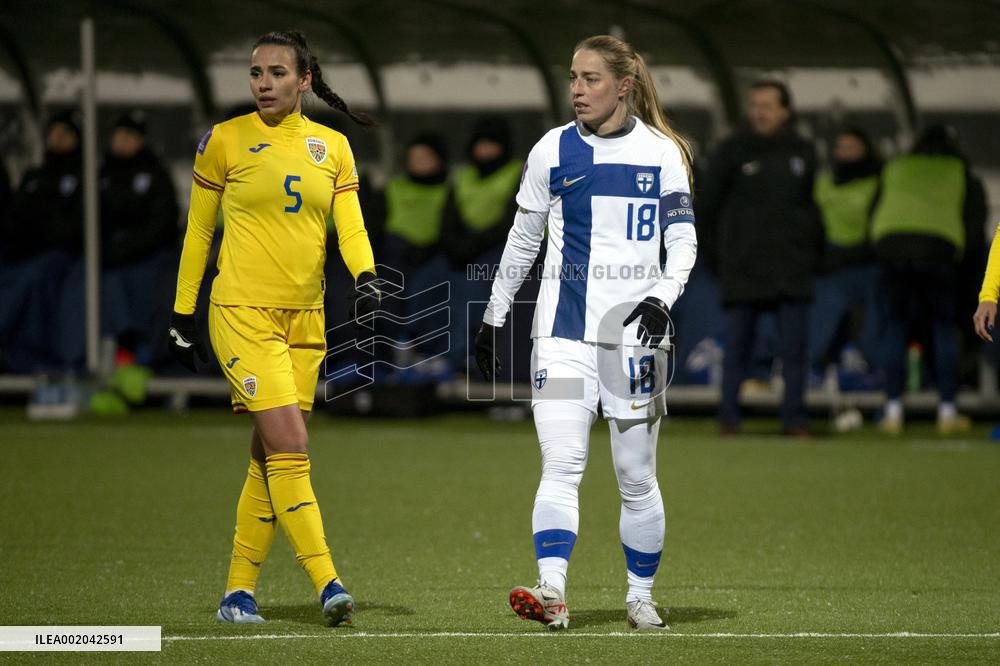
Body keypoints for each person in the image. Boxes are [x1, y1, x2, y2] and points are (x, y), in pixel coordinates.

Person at [474, 35, 697, 631]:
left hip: (635, 341)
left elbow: (683, 242)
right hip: (562, 336)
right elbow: (523, 240)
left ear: (624, 85)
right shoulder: (551, 150)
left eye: (591, 78)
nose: (577, 89)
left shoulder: (663, 153)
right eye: (573, 77)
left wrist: (661, 297)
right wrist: (495, 316)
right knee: (563, 463)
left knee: (636, 477)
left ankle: (640, 596)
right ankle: (552, 590)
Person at [167, 31, 380, 626]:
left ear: (304, 80)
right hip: (241, 313)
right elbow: (199, 233)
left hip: (306, 319)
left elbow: (351, 227)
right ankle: (328, 582)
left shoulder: (332, 147)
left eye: (277, 72)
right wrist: (184, 311)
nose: (264, 82)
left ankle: (237, 594)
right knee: (292, 445)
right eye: (256, 72)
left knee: (269, 456)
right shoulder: (225, 141)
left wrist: (365, 278)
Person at [698, 80, 822, 437]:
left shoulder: (803, 151)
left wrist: (811, 253)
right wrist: (716, 259)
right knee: (737, 348)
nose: (760, 112)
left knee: (795, 351)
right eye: (755, 105)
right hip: (743, 268)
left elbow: (809, 208)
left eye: (767, 105)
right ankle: (728, 419)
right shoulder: (731, 151)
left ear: (785, 111)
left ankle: (795, 420)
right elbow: (705, 208)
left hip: (791, 268)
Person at [872, 125, 985, 435]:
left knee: (896, 326)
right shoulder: (960, 171)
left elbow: (875, 210)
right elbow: (975, 223)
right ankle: (947, 411)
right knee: (943, 326)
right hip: (938, 250)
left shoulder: (897, 167)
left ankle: (892, 411)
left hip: (892, 247)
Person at [442, 117, 523, 368]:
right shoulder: (463, 177)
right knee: (436, 284)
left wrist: (474, 245)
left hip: (502, 247)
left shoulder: (518, 172)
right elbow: (449, 217)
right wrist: (457, 246)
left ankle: (464, 359)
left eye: (492, 145)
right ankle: (436, 354)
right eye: (481, 144)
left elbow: (516, 219)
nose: (485, 151)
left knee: (474, 293)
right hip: (464, 248)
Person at [809, 127, 884, 379]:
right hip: (830, 260)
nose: (845, 152)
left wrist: (854, 253)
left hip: (866, 258)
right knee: (823, 314)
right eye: (841, 147)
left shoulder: (877, 182)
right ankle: (818, 367)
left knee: (872, 317)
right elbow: (812, 219)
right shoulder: (824, 181)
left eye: (852, 146)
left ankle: (871, 367)